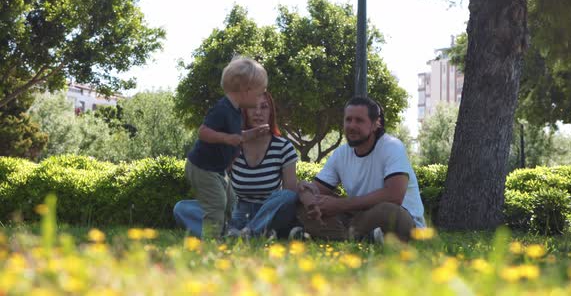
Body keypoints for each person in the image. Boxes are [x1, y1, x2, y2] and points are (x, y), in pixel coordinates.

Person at [295, 96, 425, 243]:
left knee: (389, 211)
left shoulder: (392, 146)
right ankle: (363, 237)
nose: (352, 126)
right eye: (348, 120)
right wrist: (308, 195)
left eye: (359, 120)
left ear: (376, 124)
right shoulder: (341, 153)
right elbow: (317, 189)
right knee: (301, 206)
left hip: (399, 219)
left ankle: (331, 235)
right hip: (359, 219)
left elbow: (394, 195)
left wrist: (339, 205)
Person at [174, 57, 270, 238]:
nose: (259, 100)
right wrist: (226, 138)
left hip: (217, 170)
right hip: (202, 168)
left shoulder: (235, 111)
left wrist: (252, 134)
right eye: (259, 94)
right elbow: (203, 132)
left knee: (231, 203)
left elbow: (237, 138)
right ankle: (211, 240)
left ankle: (225, 233)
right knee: (217, 203)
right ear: (246, 90)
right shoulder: (222, 109)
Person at [226, 91, 299, 238]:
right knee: (182, 208)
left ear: (271, 112)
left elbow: (289, 193)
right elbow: (215, 179)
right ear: (244, 111)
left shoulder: (284, 147)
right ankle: (239, 231)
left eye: (264, 107)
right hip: (239, 212)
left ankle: (247, 232)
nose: (258, 112)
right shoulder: (233, 144)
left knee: (288, 196)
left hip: (269, 213)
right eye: (252, 107)